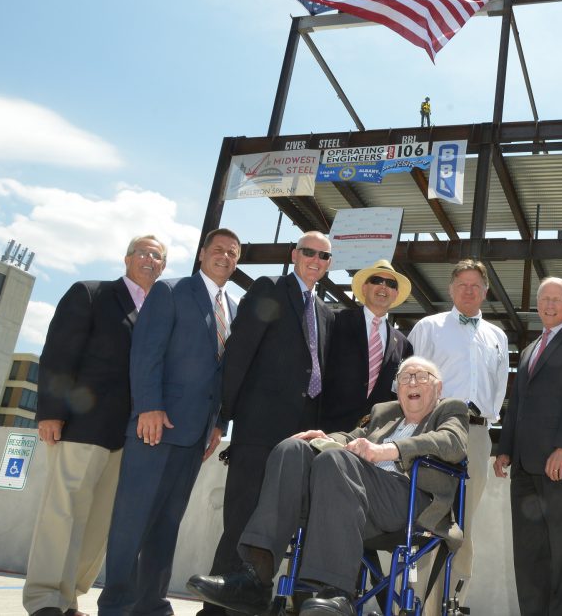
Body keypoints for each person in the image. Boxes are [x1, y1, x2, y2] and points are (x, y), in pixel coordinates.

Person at [186, 356, 469, 616]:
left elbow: (452, 443)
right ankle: (256, 578)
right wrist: (325, 436)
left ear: (438, 387)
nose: (412, 383)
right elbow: (351, 437)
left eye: (421, 376)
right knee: (292, 449)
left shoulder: (450, 410)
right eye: (405, 377)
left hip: (407, 501)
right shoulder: (385, 413)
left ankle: (334, 590)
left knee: (335, 460)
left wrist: (390, 450)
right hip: (351, 499)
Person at [97, 228, 240, 616]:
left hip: (195, 435)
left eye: (233, 253)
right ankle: (116, 605)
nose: (225, 257)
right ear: (202, 254)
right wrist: (148, 406)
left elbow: (222, 373)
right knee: (133, 519)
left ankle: (151, 605)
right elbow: (147, 352)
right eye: (218, 250)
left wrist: (218, 424)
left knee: (167, 523)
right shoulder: (172, 291)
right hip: (154, 426)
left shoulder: (235, 307)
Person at [23, 236, 166, 616]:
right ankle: (44, 599)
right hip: (82, 425)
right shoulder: (91, 293)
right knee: (63, 512)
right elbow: (58, 351)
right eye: (143, 252)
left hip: (129, 437)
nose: (150, 259)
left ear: (164, 267)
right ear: (127, 259)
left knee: (100, 522)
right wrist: (51, 412)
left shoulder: (160, 311)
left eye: (158, 256)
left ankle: (68, 598)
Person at [200, 232, 336, 615]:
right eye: (308, 252)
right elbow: (240, 352)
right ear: (294, 255)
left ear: (328, 263)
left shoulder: (325, 313)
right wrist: (222, 418)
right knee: (241, 520)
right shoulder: (269, 289)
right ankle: (214, 610)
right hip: (259, 430)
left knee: (275, 530)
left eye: (323, 255)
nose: (315, 259)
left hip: (301, 442)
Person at [493, 277, 562, 616]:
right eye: (544, 299)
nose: (549, 305)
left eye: (557, 299)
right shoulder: (527, 350)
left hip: (560, 466)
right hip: (524, 469)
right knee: (528, 556)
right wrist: (504, 448)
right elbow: (517, 403)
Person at [407, 259, 508, 604]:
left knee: (464, 520)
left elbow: (499, 389)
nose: (469, 290)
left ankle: (452, 602)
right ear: (450, 289)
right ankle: (417, 603)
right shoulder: (428, 327)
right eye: (462, 284)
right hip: (435, 428)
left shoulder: (497, 336)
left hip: (478, 434)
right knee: (429, 515)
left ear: (485, 291)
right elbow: (409, 381)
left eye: (475, 285)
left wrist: (490, 425)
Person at [319, 259, 414, 432]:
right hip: (326, 426)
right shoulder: (334, 321)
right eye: (377, 281)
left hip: (372, 435)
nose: (383, 287)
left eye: (391, 284)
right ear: (364, 288)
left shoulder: (403, 343)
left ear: (395, 294)